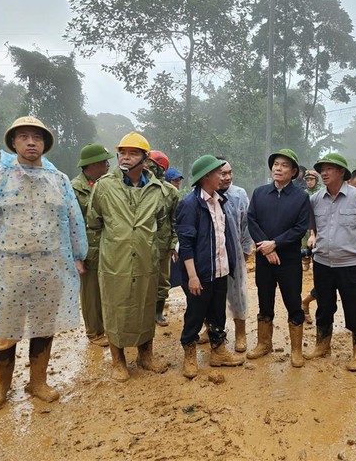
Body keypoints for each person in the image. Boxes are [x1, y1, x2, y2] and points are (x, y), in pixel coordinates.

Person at [0, 116, 88, 410]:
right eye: (23, 137)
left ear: (45, 143)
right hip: (8, 268)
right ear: (13, 143)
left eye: (37, 137)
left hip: (50, 267)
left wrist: (77, 257)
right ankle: (1, 385)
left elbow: (74, 222)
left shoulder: (58, 180)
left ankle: (38, 381)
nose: (31, 142)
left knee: (43, 325)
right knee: (4, 330)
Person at [87, 132, 168, 382]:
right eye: (122, 152)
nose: (125, 157)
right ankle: (118, 361)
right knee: (115, 309)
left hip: (146, 260)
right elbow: (94, 222)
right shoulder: (104, 186)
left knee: (145, 306)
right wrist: (96, 256)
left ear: (145, 159)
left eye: (133, 153)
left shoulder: (157, 189)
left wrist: (158, 251)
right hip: (114, 261)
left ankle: (146, 355)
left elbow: (163, 223)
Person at [304, 153, 356, 371]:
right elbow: (314, 227)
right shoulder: (315, 199)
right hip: (322, 264)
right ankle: (322, 345)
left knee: (354, 309)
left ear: (342, 172)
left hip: (350, 265)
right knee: (324, 307)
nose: (324, 173)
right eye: (322, 169)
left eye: (329, 168)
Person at [176, 155, 244, 379]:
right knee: (195, 315)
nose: (223, 177)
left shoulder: (219, 201)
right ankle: (189, 355)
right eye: (218, 173)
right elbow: (186, 244)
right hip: (200, 274)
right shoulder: (190, 204)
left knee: (217, 313)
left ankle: (218, 352)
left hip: (220, 270)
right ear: (206, 177)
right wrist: (192, 276)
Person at [247, 149, 310, 368]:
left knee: (293, 302)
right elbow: (251, 220)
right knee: (265, 301)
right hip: (265, 259)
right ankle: (264, 343)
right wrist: (266, 247)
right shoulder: (259, 193)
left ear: (293, 171)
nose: (278, 168)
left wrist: (276, 243)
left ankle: (296, 349)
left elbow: (300, 228)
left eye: (284, 165)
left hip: (289, 260)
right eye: (275, 164)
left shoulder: (301, 197)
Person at [302, 167, 356, 324]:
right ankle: (306, 304)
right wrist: (313, 236)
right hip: (324, 255)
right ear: (348, 182)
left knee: (351, 304)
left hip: (348, 259)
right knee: (324, 297)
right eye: (355, 187)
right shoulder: (315, 197)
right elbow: (316, 224)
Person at [71, 143, 113, 347]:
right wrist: (76, 256)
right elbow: (69, 224)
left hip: (106, 247)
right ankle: (94, 332)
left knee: (106, 290)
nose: (107, 165)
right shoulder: (74, 188)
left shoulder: (107, 184)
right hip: (87, 249)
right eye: (104, 162)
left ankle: (105, 326)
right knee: (90, 294)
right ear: (91, 165)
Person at [217, 156, 253, 352]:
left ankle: (240, 334)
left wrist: (246, 249)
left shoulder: (239, 194)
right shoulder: (205, 194)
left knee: (237, 293)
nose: (228, 177)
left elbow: (246, 223)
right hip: (212, 255)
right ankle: (212, 330)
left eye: (230, 172)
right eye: (223, 173)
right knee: (212, 295)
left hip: (235, 252)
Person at [148, 150, 179, 327]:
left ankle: (158, 313)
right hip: (139, 244)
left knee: (162, 281)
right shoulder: (133, 188)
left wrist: (173, 243)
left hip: (162, 243)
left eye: (151, 165)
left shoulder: (170, 192)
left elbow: (174, 220)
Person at [301, 169, 322, 272]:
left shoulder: (321, 191)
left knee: (317, 242)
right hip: (305, 221)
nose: (309, 181)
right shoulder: (303, 193)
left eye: (311, 179)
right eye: (307, 179)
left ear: (316, 180)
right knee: (304, 240)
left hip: (318, 221)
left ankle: (316, 261)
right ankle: (305, 261)